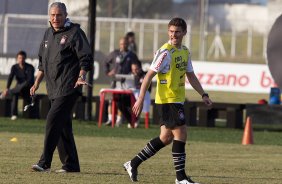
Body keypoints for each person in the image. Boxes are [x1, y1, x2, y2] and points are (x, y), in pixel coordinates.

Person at [123, 17, 212, 184]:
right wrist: (141, 97)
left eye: (177, 32)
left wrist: (203, 94)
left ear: (184, 32)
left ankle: (132, 163)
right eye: (171, 31)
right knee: (181, 133)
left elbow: (190, 75)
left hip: (177, 100)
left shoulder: (184, 51)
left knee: (165, 137)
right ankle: (180, 179)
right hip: (167, 100)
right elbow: (149, 75)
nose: (174, 35)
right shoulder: (165, 53)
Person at [30, 2, 93, 172]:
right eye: (52, 15)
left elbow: (85, 58)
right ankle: (71, 165)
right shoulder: (47, 33)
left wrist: (81, 76)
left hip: (69, 87)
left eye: (58, 15)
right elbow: (42, 63)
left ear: (65, 15)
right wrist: (36, 82)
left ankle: (45, 162)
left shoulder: (75, 33)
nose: (55, 18)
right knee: (63, 126)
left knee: (52, 120)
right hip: (53, 88)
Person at [104, 37, 140, 126]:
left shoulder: (132, 55)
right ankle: (110, 119)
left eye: (125, 44)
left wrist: (135, 71)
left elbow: (137, 66)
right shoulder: (115, 53)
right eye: (121, 44)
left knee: (123, 101)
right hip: (115, 81)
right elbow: (105, 62)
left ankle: (119, 120)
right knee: (111, 100)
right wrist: (108, 72)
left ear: (128, 44)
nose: (123, 46)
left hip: (126, 83)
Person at [0, 50, 35, 120]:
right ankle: (14, 114)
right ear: (17, 59)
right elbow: (10, 78)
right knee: (15, 94)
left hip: (28, 90)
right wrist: (7, 88)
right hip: (18, 89)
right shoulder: (14, 67)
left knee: (25, 83)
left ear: (25, 58)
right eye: (19, 58)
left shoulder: (30, 67)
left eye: (22, 58)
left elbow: (30, 80)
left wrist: (8, 90)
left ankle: (9, 92)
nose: (21, 60)